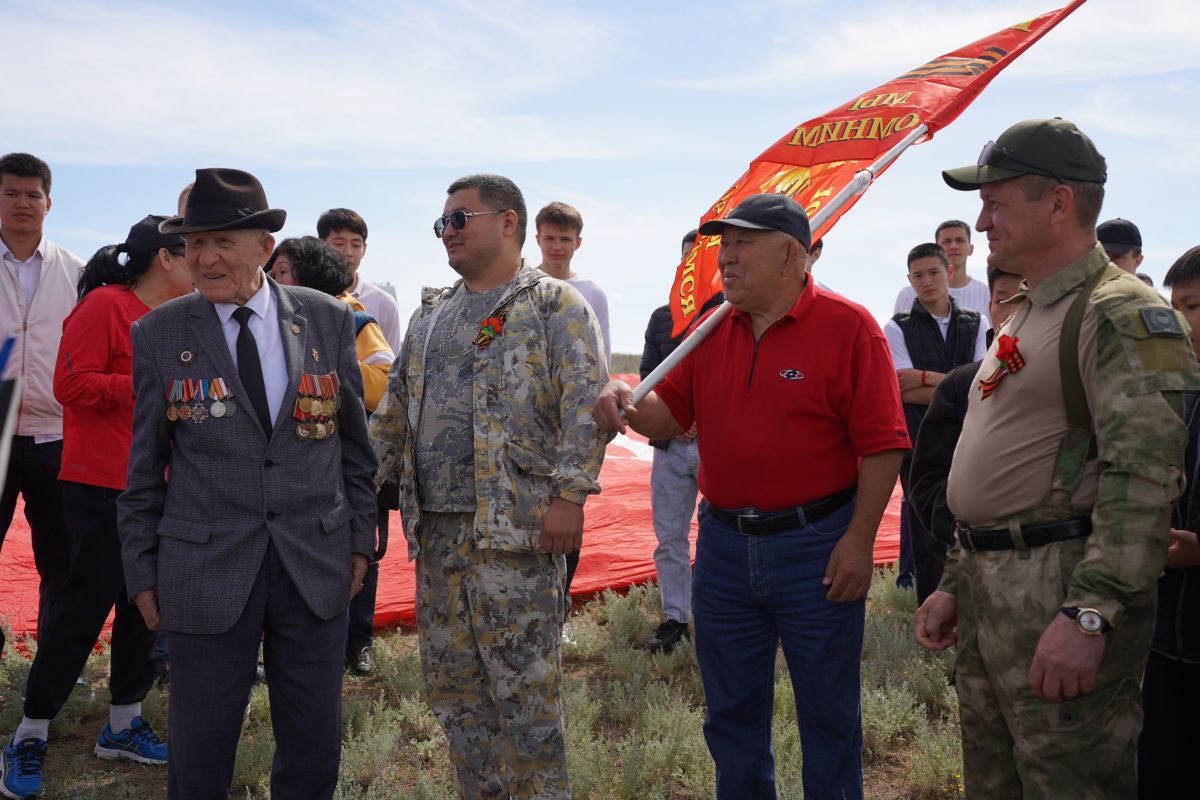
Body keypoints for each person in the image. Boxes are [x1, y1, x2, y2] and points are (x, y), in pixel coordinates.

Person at [914, 118, 1199, 797]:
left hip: (1057, 590)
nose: (980, 221)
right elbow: (1002, 463)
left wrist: (1091, 614)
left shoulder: (1119, 312)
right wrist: (958, 576)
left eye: (997, 202)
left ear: (1059, 203)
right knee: (997, 779)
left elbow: (1143, 480)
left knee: (1068, 780)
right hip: (995, 588)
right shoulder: (1029, 314)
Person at [593, 193, 908, 799]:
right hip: (723, 549)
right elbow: (667, 417)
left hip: (816, 547)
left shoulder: (850, 328)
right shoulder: (712, 327)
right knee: (731, 714)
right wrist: (626, 397)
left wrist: (859, 542)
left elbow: (883, 444)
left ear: (793, 255)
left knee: (828, 714)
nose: (726, 260)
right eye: (723, 246)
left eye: (742, 245)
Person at [117, 168, 378, 799]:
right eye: (192, 244)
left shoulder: (327, 321)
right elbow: (144, 470)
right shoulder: (159, 334)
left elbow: (355, 450)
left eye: (222, 242)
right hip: (203, 567)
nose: (204, 257)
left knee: (313, 741)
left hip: (312, 563)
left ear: (265, 247)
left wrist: (361, 544)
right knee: (201, 746)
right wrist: (142, 570)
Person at [370, 174, 606, 798]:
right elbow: (393, 415)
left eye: (459, 218)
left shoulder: (553, 304)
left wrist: (570, 496)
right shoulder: (430, 313)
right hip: (436, 537)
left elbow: (586, 403)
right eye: (442, 222)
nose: (447, 231)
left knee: (525, 700)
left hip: (516, 535)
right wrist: (350, 490)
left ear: (508, 223)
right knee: (456, 698)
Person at [0, 216, 192, 799]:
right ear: (164, 257)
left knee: (145, 606)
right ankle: (31, 731)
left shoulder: (181, 317)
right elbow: (72, 384)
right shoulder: (106, 306)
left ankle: (123, 723)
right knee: (81, 610)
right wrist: (146, 385)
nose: (204, 262)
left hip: (160, 487)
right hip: (100, 485)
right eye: (194, 251)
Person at [267, 235, 395, 676]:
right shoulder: (270, 319)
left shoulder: (352, 316)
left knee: (362, 550)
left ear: (309, 275)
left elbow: (383, 378)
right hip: (300, 466)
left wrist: (320, 370)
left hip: (351, 458)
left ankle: (357, 642)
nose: (273, 279)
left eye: (282, 272)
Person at [0, 153, 85, 658]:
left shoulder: (76, 272)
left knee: (62, 558)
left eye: (32, 194)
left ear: (49, 203)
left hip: (57, 432)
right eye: (11, 193)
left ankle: (58, 659)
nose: (22, 203)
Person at [883, 242, 986, 603]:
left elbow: (984, 385)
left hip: (972, 443)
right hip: (920, 447)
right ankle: (931, 614)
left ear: (950, 273)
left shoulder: (977, 323)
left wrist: (924, 377)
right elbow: (902, 388)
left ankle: (972, 610)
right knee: (926, 538)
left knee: (975, 529)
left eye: (933, 272)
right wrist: (958, 382)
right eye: (918, 275)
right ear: (909, 280)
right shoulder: (896, 328)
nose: (926, 281)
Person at [1138, 245, 1200, 799]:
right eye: (1177, 307)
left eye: (1196, 306)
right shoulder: (1178, 388)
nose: (1184, 321)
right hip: (1166, 632)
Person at [906, 265, 1023, 556]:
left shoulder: (1068, 375)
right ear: (990, 307)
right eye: (1003, 301)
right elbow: (927, 484)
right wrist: (967, 534)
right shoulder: (961, 384)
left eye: (1025, 302)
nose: (1014, 313)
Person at [639, 228, 703, 654]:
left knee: (730, 534)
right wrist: (672, 424)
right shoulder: (663, 319)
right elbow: (646, 380)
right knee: (670, 536)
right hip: (671, 445)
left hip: (721, 447)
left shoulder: (735, 315)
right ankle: (677, 617)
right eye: (688, 259)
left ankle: (722, 615)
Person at [317, 208, 402, 351]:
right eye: (339, 243)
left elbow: (391, 367)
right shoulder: (308, 294)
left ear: (365, 249)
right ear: (321, 245)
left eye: (356, 245)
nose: (348, 252)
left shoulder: (384, 303)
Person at [893, 220, 991, 319]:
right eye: (947, 241)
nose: (953, 246)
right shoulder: (908, 294)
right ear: (936, 249)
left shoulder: (986, 294)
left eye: (960, 240)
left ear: (971, 249)